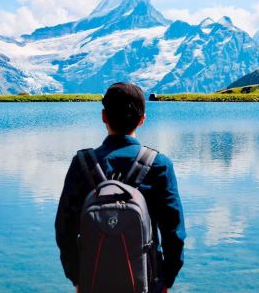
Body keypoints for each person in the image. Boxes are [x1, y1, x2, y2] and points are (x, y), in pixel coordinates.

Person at [55, 82, 186, 293]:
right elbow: (174, 234)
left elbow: (64, 231)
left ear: (104, 117)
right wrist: (166, 280)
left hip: (93, 281)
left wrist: (77, 278)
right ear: (142, 120)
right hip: (146, 282)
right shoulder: (159, 165)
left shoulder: (82, 164)